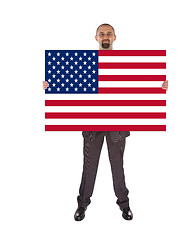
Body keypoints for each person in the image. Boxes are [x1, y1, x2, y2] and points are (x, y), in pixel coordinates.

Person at [43, 23, 168, 221]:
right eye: (102, 34)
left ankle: (124, 204)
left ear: (115, 37)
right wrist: (51, 85)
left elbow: (137, 87)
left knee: (117, 165)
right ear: (96, 38)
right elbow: (71, 85)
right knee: (89, 165)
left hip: (117, 123)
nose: (105, 36)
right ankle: (82, 205)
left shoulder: (125, 63)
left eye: (108, 33)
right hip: (92, 123)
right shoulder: (86, 64)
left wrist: (158, 88)